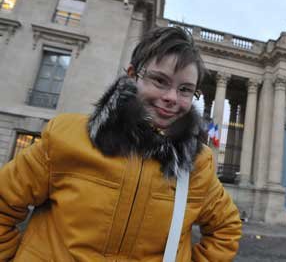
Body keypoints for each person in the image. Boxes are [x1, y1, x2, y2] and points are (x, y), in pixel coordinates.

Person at [0, 27, 242, 261]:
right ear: (132, 75)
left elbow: (227, 228)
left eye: (185, 90)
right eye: (159, 80)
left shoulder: (198, 164)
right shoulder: (67, 136)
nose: (171, 98)